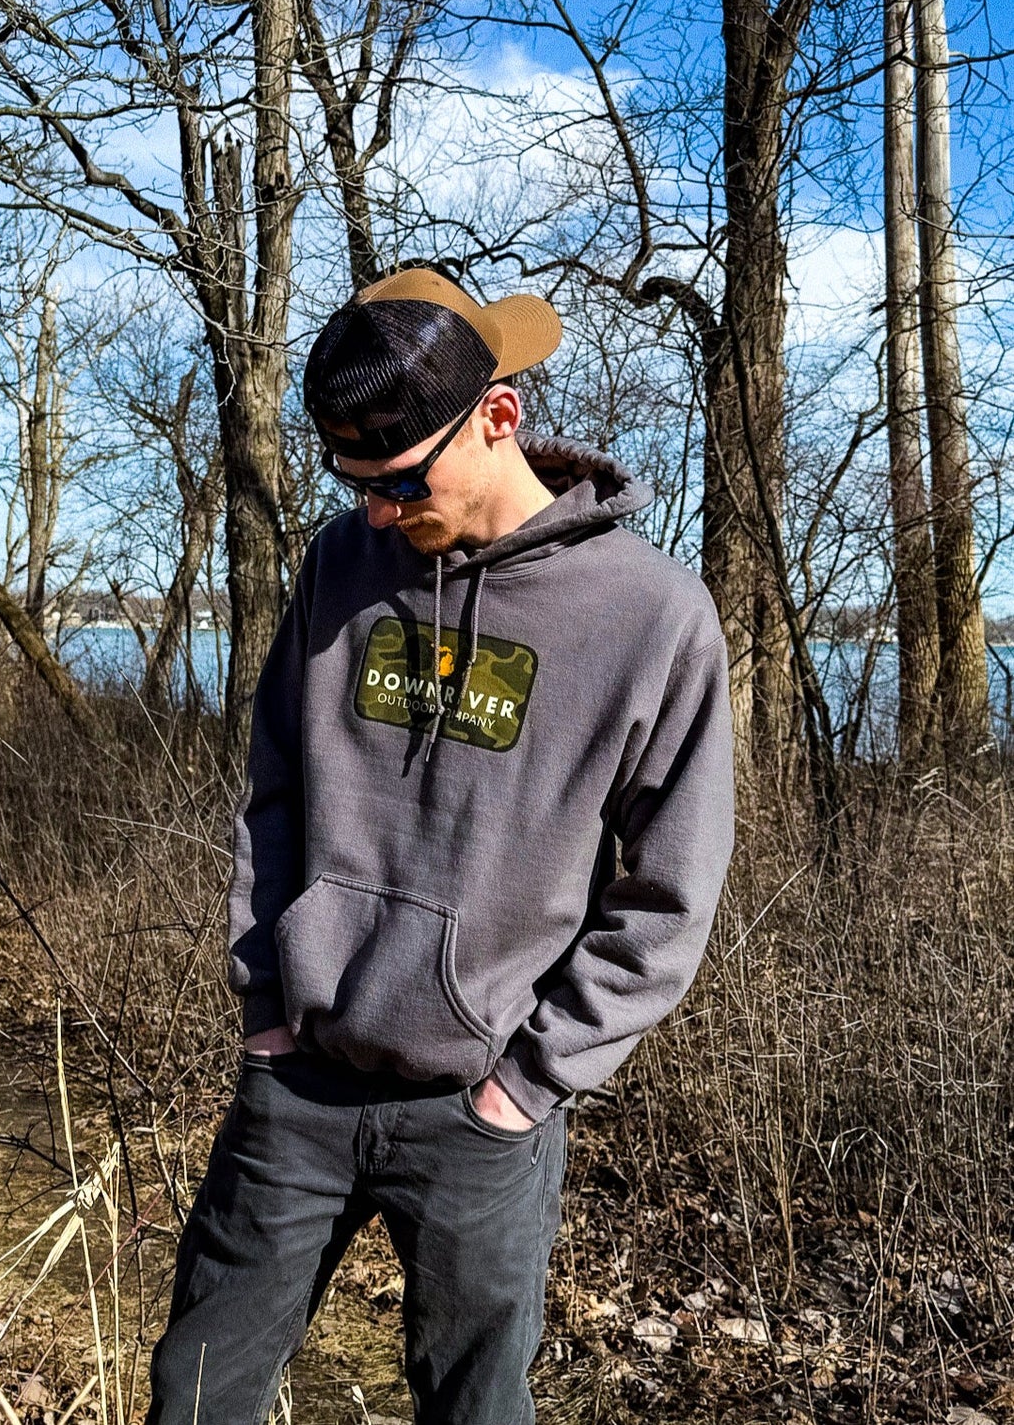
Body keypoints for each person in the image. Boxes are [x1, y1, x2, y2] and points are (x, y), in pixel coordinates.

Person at [147, 268, 736, 1424]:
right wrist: (265, 1002)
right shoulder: (341, 563)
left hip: (480, 1108)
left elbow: (669, 892)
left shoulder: (651, 617)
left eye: (401, 481)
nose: (375, 513)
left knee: (474, 1409)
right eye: (353, 484)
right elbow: (272, 792)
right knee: (196, 1394)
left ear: (497, 415)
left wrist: (528, 1082)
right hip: (298, 1082)